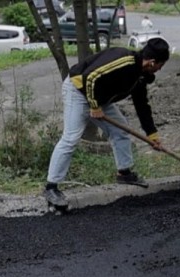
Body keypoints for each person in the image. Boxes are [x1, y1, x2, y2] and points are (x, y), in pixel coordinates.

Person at [43, 38, 170, 208]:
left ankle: (124, 173)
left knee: (120, 131)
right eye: (161, 65)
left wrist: (153, 135)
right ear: (152, 62)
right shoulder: (123, 60)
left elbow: (142, 106)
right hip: (78, 90)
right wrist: (94, 106)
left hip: (100, 99)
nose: (160, 69)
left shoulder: (140, 76)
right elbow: (90, 77)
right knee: (71, 137)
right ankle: (51, 187)